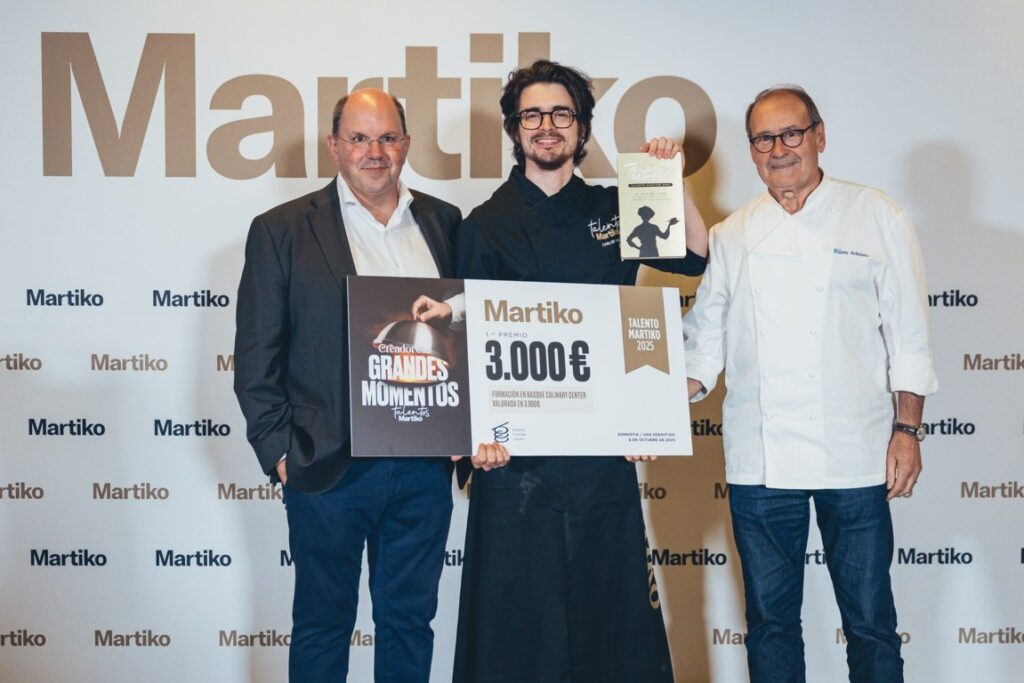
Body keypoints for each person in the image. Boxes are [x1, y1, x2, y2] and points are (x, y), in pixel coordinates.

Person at [233, 88, 507, 683]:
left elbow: (465, 331)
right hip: (327, 466)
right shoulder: (281, 230)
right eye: (359, 138)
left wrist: (465, 427)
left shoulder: (443, 222)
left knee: (410, 623)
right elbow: (256, 357)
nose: (374, 151)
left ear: (405, 145)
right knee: (322, 625)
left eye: (386, 137)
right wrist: (280, 453)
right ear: (334, 146)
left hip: (422, 470)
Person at [451, 59, 709, 682]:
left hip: (601, 461)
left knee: (611, 628)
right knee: (516, 637)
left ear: (581, 127)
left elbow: (697, 258)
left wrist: (671, 181)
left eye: (561, 114)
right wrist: (470, 447)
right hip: (514, 469)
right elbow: (462, 347)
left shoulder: (618, 208)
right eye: (533, 115)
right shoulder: (480, 225)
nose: (547, 126)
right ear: (515, 130)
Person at [682, 85, 938, 683]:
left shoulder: (876, 215)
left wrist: (908, 430)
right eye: (764, 139)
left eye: (791, 133)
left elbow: (909, 336)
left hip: (856, 453)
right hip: (760, 462)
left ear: (819, 136)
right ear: (750, 151)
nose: (779, 149)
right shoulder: (732, 235)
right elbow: (704, 347)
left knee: (871, 621)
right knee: (771, 623)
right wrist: (646, 403)